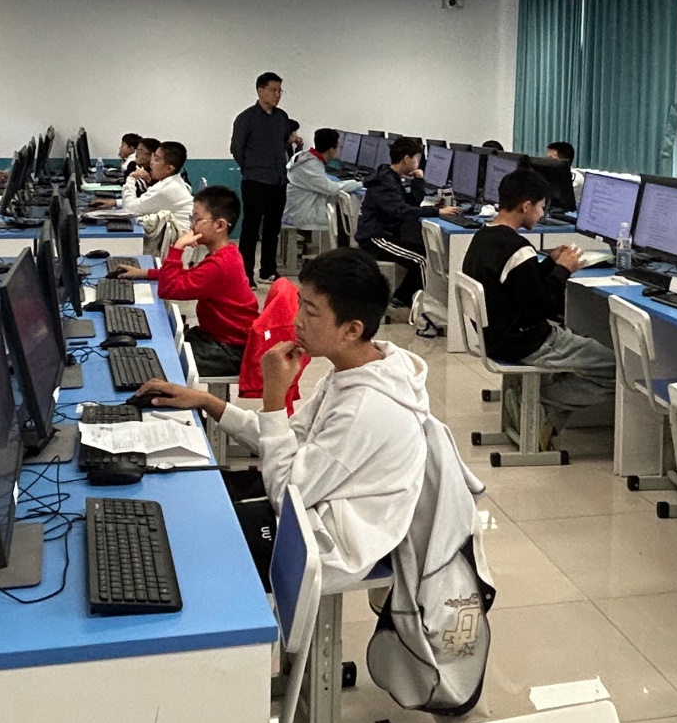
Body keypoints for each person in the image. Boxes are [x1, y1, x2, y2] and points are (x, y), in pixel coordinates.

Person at [135, 248, 430, 591]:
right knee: (184, 500)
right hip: (310, 504)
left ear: (352, 330)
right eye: (300, 304)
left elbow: (286, 495)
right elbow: (289, 439)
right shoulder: (358, 368)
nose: (297, 320)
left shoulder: (366, 407)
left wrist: (274, 398)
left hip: (325, 545)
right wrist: (209, 402)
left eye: (311, 311)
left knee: (179, 549)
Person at [462, 167, 616, 428]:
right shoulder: (518, 248)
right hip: (524, 340)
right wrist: (563, 270)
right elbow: (539, 307)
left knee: (584, 342)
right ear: (526, 206)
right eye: (541, 207)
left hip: (496, 336)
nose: (543, 214)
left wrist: (551, 263)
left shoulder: (484, 236)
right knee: (615, 368)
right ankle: (539, 401)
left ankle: (543, 416)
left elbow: (519, 284)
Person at [114, 185, 259, 376]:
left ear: (220, 225)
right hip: (217, 336)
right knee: (160, 346)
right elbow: (189, 275)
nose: (191, 225)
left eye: (197, 219)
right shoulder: (226, 254)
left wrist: (178, 247)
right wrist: (145, 273)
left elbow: (168, 289)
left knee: (158, 365)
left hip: (230, 349)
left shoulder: (219, 265)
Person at [355, 135, 457, 308]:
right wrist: (437, 211)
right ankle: (425, 308)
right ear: (407, 159)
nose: (418, 162)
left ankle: (402, 299)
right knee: (422, 259)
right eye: (416, 158)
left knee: (423, 254)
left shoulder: (391, 177)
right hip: (375, 237)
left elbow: (410, 205)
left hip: (385, 233)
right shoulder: (385, 181)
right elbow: (401, 211)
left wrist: (418, 181)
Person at [231, 71, 294, 283]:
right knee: (250, 230)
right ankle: (245, 274)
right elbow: (237, 148)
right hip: (255, 181)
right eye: (273, 90)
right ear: (260, 91)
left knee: (272, 229)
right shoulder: (246, 118)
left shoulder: (282, 117)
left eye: (280, 91)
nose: (277, 95)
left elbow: (283, 144)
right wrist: (251, 168)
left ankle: (268, 270)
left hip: (278, 181)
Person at [91, 139, 194, 239]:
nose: (151, 163)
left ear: (169, 168)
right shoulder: (170, 183)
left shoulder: (168, 189)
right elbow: (143, 202)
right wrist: (115, 203)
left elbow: (129, 210)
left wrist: (131, 178)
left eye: (156, 159)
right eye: (153, 157)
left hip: (179, 244)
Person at [287, 128, 363, 241]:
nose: (338, 150)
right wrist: (358, 183)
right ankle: (341, 248)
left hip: (300, 207)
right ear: (331, 149)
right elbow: (330, 188)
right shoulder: (310, 165)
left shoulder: (306, 158)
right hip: (303, 214)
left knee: (341, 209)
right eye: (338, 147)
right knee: (343, 215)